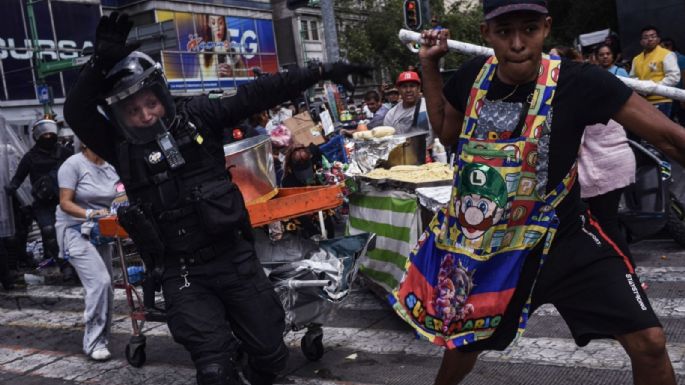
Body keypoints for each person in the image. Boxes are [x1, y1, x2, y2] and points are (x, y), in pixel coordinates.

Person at [63, 12, 370, 385]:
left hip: (234, 258)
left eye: (150, 104)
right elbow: (76, 111)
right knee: (213, 368)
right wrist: (100, 62)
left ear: (161, 94)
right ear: (120, 116)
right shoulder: (121, 147)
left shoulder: (197, 117)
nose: (145, 116)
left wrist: (321, 71)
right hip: (182, 272)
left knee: (271, 357)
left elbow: (259, 92)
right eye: (132, 111)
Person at [410, 1, 685, 384]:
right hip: (493, 249)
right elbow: (447, 132)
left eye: (530, 29)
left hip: (565, 239)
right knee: (462, 348)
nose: (519, 43)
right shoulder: (473, 76)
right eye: (505, 32)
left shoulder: (581, 80)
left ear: (546, 27)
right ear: (486, 34)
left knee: (651, 342)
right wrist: (430, 65)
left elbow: (671, 139)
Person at [55, 145, 119, 361]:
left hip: (102, 231)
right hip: (74, 230)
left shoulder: (111, 167)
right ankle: (93, 343)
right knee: (99, 282)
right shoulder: (73, 165)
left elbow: (119, 196)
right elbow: (65, 203)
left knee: (107, 288)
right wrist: (91, 213)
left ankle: (102, 338)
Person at [4, 119, 75, 281]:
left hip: (64, 198)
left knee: (72, 232)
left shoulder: (64, 152)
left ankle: (78, 261)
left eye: (51, 133)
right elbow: (18, 178)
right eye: (44, 134)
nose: (48, 136)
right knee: (49, 231)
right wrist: (10, 188)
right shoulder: (30, 157)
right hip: (43, 203)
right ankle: (64, 265)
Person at [630, 25, 681, 117]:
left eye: (653, 36)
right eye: (646, 37)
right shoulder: (636, 59)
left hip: (661, 100)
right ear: (641, 41)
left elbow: (674, 77)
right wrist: (640, 89)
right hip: (643, 101)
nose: (650, 39)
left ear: (658, 39)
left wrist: (653, 88)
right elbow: (632, 78)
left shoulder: (667, 54)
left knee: (663, 129)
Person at [198, 14, 246, 79]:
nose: (217, 28)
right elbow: (201, 81)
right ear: (209, 26)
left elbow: (244, 76)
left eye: (220, 23)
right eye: (213, 23)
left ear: (225, 25)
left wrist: (232, 74)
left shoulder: (233, 49)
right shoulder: (203, 53)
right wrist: (215, 75)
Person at [661, 37, 685, 124]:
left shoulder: (680, 58)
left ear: (669, 46)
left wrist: (683, 98)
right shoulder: (664, 58)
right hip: (668, 93)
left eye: (662, 47)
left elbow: (684, 77)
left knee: (682, 118)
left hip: (679, 93)